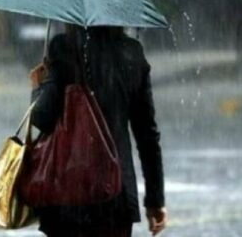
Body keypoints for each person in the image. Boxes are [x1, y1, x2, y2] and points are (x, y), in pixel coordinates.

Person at [28, 25, 167, 237]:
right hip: (116, 195)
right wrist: (155, 200)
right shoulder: (132, 52)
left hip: (68, 193)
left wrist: (38, 87)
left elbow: (42, 118)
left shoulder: (63, 47)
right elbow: (147, 134)